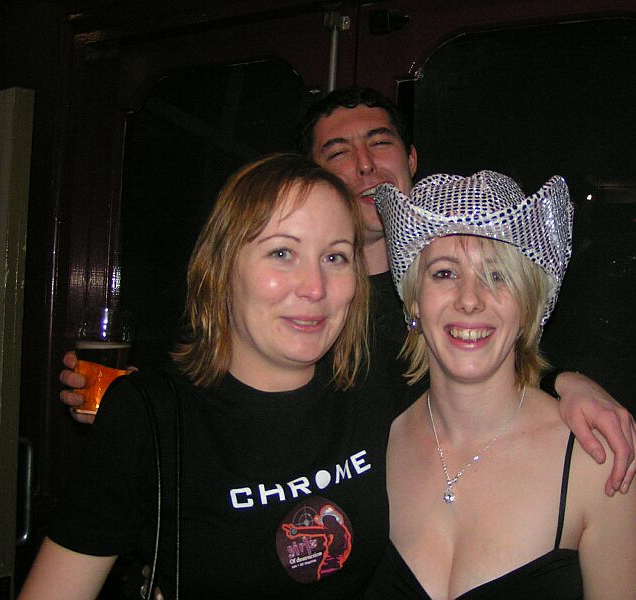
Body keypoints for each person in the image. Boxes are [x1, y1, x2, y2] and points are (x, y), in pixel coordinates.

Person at [59, 86, 636, 494]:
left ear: (411, 159)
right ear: (311, 176)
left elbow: (501, 361)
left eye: (380, 143)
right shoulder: (283, 307)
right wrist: (138, 412)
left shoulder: (460, 285)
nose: (364, 166)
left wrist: (566, 382)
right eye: (337, 152)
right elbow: (210, 390)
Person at [20, 154, 393, 599]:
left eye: (335, 256)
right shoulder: (148, 416)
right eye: (281, 253)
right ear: (222, 268)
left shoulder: (376, 395)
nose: (315, 287)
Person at [363, 171, 636, 599]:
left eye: (497, 276)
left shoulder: (596, 462)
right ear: (414, 301)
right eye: (444, 273)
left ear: (528, 307)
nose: (470, 299)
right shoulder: (372, 447)